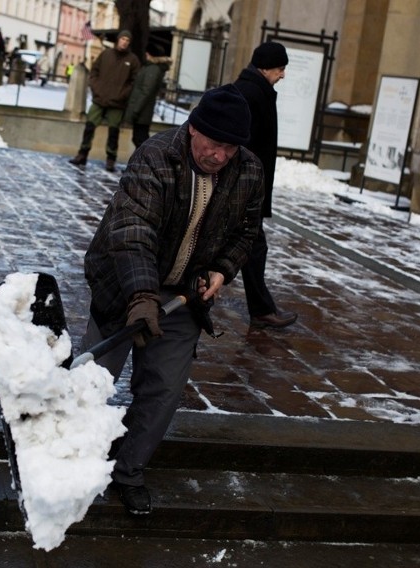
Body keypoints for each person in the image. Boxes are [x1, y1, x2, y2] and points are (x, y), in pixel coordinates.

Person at [81, 84, 263, 515]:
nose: (219, 155)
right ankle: (74, 464)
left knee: (163, 389)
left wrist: (221, 268)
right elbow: (133, 231)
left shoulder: (249, 171)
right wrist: (141, 296)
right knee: (93, 381)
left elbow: (247, 231)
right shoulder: (156, 156)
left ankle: (128, 471)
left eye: (230, 148)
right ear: (193, 128)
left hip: (184, 295)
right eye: (213, 143)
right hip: (123, 282)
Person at [234, 41, 298, 329]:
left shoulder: (257, 90)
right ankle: (261, 309)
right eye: (280, 68)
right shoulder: (251, 93)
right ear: (266, 67)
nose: (282, 75)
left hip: (249, 186)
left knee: (249, 247)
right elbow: (242, 145)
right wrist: (246, 187)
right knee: (253, 247)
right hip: (245, 188)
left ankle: (261, 308)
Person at [68, 30, 140, 172]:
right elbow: (94, 72)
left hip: (117, 102)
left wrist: (123, 94)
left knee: (113, 131)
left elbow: (134, 82)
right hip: (99, 99)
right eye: (122, 39)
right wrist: (96, 88)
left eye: (127, 40)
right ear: (118, 40)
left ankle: (110, 159)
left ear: (129, 43)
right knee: (89, 126)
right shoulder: (106, 54)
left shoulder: (132, 60)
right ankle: (82, 154)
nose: (124, 42)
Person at [123, 44, 171, 148]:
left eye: (147, 53)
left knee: (140, 139)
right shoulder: (150, 67)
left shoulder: (152, 69)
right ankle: (142, 162)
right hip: (142, 110)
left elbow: (146, 91)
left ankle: (147, 162)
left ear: (150, 54)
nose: (145, 54)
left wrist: (136, 110)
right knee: (138, 138)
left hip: (142, 111)